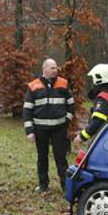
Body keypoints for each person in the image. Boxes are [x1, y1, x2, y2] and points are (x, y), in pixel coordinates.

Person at [23, 57, 73, 193]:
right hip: (40, 130)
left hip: (59, 129)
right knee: (42, 157)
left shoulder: (63, 84)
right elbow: (27, 109)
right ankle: (43, 185)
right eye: (52, 68)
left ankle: (65, 186)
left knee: (61, 158)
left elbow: (71, 104)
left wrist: (66, 121)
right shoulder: (33, 86)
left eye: (56, 68)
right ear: (44, 69)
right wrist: (30, 131)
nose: (55, 70)